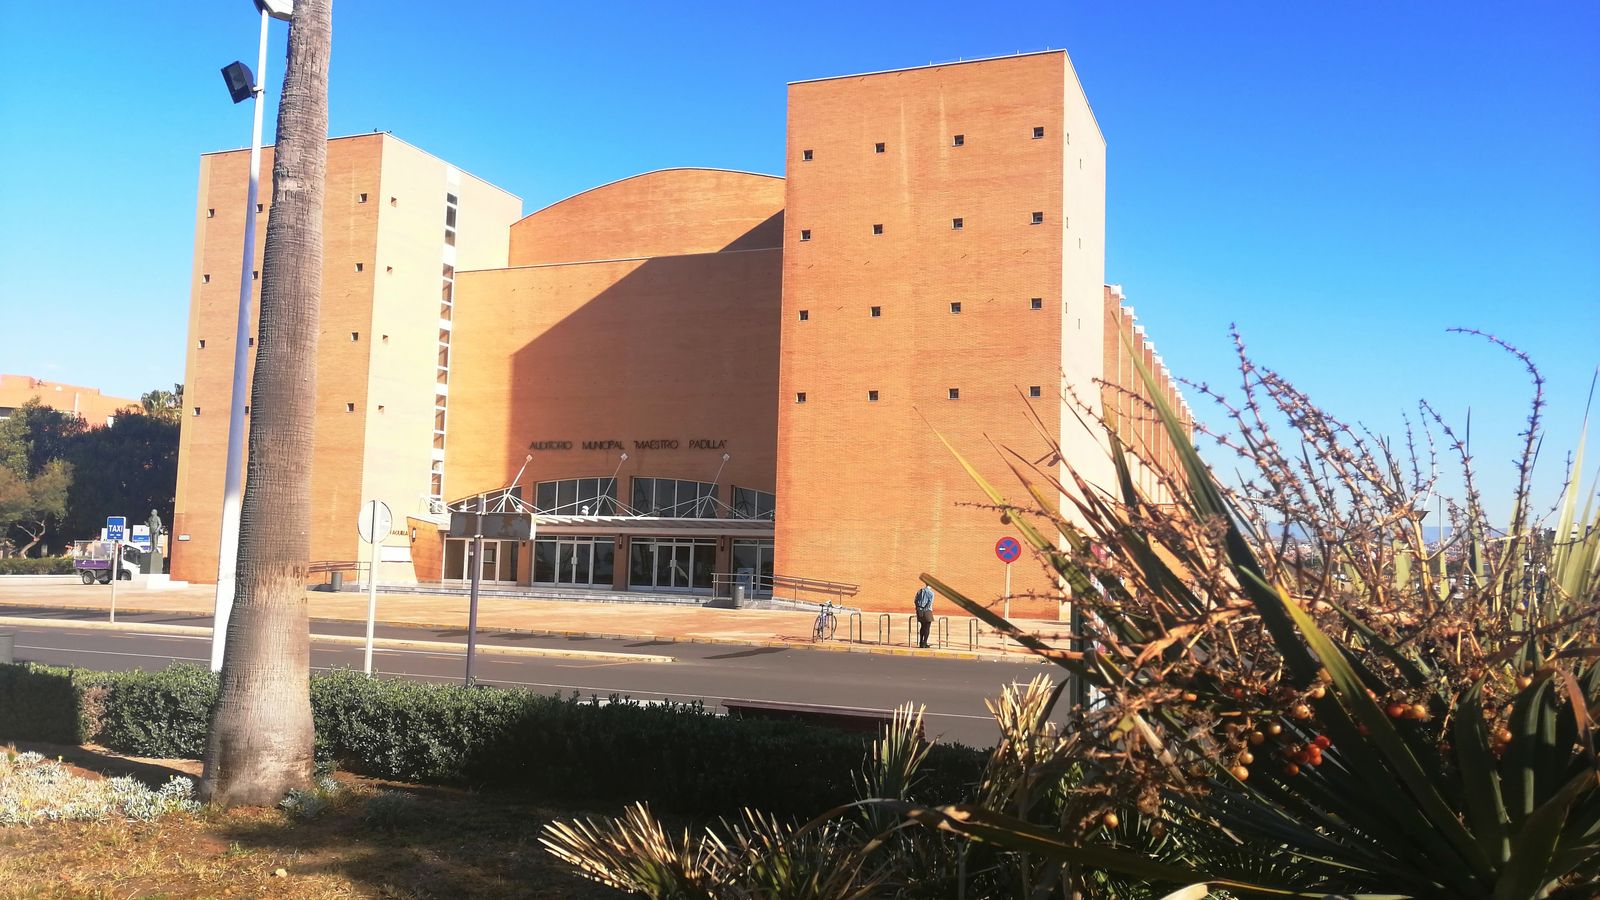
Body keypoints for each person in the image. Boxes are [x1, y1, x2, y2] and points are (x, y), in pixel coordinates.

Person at [914, 583, 935, 648]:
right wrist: (924, 610)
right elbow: (930, 603)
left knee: (922, 626)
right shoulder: (931, 593)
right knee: (927, 627)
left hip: (919, 610)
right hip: (927, 611)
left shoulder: (920, 591)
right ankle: (924, 643)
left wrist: (918, 608)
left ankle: (921, 642)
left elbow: (915, 600)